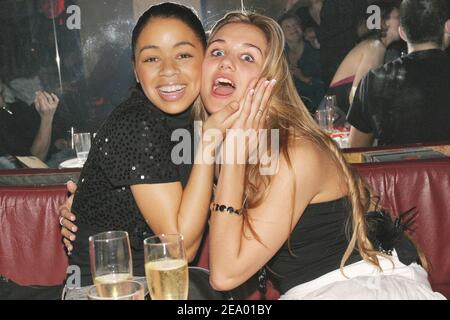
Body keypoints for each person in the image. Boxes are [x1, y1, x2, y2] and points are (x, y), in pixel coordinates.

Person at [201, 11, 444, 300]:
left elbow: (225, 274)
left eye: (247, 57)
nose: (226, 61)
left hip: (360, 285)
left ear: (270, 81)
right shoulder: (220, 140)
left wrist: (231, 157)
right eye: (217, 51)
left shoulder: (296, 152)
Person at [61, 3, 272, 291]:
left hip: (165, 286)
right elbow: (180, 249)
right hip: (113, 291)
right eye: (151, 59)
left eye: (183, 55)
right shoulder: (137, 123)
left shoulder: (206, 120)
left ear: (206, 59)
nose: (168, 71)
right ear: (136, 71)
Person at [347, 0, 450, 148]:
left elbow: (355, 152)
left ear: (402, 32)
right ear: (448, 27)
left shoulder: (373, 81)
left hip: (395, 169)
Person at [321, 1, 400, 117]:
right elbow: (357, 98)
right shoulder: (375, 47)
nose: (403, 21)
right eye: (398, 17)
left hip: (337, 123)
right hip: (334, 127)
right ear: (383, 22)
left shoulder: (374, 45)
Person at [0, 78, 60, 166]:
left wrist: (57, 143)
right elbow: (32, 164)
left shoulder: (19, 108)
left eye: (1, 93)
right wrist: (47, 117)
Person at [279, 13, 324, 113]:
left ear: (301, 28)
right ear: (281, 33)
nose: (293, 29)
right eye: (287, 27)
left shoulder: (315, 51)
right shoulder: (281, 56)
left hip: (316, 109)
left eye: (295, 25)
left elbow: (326, 84)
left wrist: (304, 78)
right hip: (292, 109)